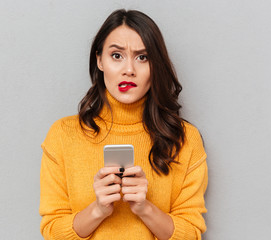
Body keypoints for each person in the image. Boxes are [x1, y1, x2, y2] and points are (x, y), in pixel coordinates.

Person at [39, 9, 208, 240]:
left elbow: (191, 234)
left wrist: (144, 208)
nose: (129, 70)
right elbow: (52, 231)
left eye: (142, 57)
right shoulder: (62, 135)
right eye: (117, 56)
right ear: (99, 60)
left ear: (155, 65)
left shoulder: (184, 139)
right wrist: (97, 210)